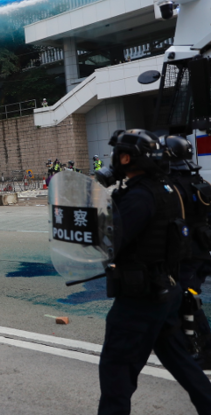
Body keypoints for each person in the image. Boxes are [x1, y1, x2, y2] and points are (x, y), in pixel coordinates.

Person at [98, 129, 211, 415]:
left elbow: (112, 241)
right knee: (179, 359)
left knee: (117, 372)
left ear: (125, 158)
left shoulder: (139, 196)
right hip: (166, 289)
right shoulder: (165, 188)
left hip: (141, 297)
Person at [165, 135, 211, 369]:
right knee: (187, 296)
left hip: (187, 253)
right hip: (201, 249)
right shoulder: (198, 180)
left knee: (187, 297)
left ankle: (204, 349)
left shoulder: (171, 186)